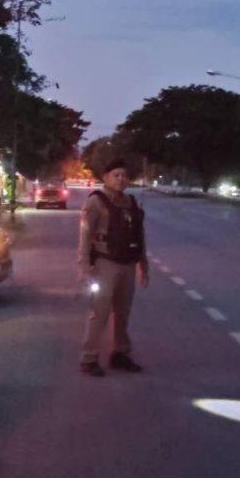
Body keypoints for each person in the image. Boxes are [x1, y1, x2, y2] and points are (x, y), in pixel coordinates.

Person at [76, 159, 149, 377]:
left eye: (124, 175)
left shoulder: (131, 203)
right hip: (105, 263)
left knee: (123, 313)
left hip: (128, 264)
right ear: (105, 178)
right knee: (99, 312)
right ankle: (89, 358)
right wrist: (84, 265)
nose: (120, 179)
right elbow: (85, 235)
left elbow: (139, 235)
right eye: (116, 175)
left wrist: (143, 264)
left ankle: (120, 353)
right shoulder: (95, 202)